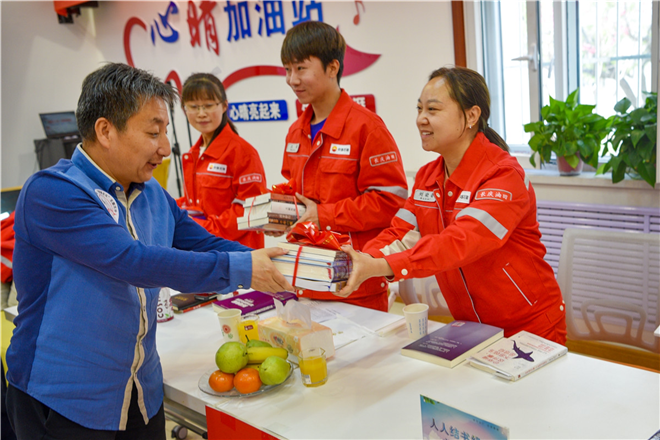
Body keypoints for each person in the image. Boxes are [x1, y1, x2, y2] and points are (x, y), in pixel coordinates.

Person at [5, 63, 293, 440]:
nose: (163, 147)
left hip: (141, 391)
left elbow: (201, 241)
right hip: (66, 401)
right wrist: (241, 267)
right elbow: (131, 261)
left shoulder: (151, 192)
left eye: (166, 133)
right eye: (153, 132)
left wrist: (285, 262)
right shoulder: (52, 192)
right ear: (106, 131)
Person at [340, 66, 567, 344]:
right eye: (419, 109)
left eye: (433, 110)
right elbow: (400, 235)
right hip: (472, 328)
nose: (421, 119)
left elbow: (459, 243)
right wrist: (362, 261)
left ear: (471, 116)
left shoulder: (503, 175)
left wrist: (383, 266)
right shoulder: (427, 177)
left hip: (529, 326)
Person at [278, 21, 408, 312]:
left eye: (300, 68)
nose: (292, 79)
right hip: (304, 280)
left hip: (353, 285)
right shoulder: (295, 132)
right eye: (287, 69)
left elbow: (391, 202)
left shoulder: (367, 128)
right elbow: (292, 193)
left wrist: (322, 215)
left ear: (333, 67)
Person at [177, 73, 267, 249]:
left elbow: (252, 211)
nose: (202, 114)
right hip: (204, 249)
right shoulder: (193, 154)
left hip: (238, 254)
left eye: (208, 106)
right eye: (194, 107)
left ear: (224, 105)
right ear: (184, 109)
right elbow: (197, 203)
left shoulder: (243, 152)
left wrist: (201, 228)